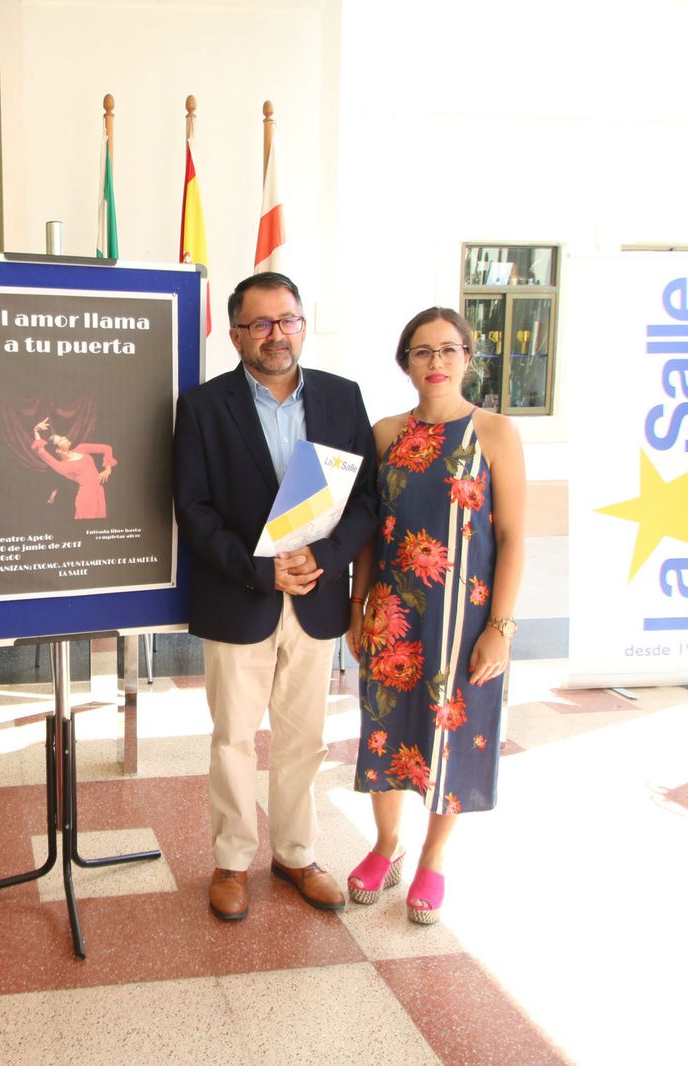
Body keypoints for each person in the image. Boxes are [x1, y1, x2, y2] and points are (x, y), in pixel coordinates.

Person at [172, 272, 378, 921]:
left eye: (286, 320)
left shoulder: (343, 400)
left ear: (303, 325)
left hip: (316, 599)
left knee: (303, 737)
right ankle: (232, 860)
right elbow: (194, 510)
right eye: (259, 324)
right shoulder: (202, 407)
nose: (275, 334)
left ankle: (295, 852)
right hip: (241, 598)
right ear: (236, 334)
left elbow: (368, 500)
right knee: (233, 737)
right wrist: (261, 572)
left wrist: (323, 558)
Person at [344, 306, 524, 925]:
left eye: (448, 350)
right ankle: (386, 846)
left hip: (465, 621)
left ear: (469, 357)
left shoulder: (496, 433)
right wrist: (357, 605)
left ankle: (433, 858)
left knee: (452, 738)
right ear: (405, 363)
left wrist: (499, 629)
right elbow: (368, 532)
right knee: (386, 732)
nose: (436, 362)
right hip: (394, 613)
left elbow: (515, 539)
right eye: (423, 352)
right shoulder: (384, 433)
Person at [30, 416, 116, 519]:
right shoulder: (62, 466)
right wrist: (35, 431)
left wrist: (108, 468)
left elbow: (107, 448)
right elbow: (41, 451)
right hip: (86, 498)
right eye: (61, 440)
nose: (65, 438)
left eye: (62, 437)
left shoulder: (81, 448)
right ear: (58, 450)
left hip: (99, 492)